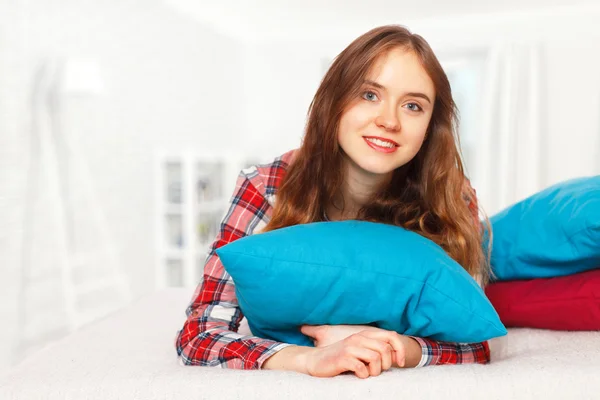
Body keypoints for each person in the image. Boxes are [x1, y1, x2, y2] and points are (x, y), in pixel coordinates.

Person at [175, 24, 493, 379]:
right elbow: (200, 334)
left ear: (430, 126)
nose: (388, 121)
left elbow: (477, 342)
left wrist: (395, 346)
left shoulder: (451, 194)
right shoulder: (266, 185)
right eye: (369, 95)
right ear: (334, 100)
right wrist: (307, 358)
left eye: (413, 106)